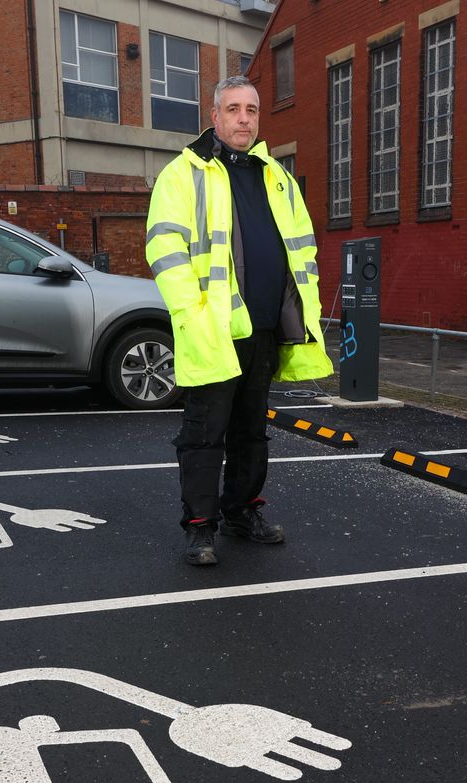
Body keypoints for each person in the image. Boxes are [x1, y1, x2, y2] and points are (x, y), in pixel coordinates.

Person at [145, 75, 331, 566]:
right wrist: (193, 313)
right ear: (214, 116)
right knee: (204, 432)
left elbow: (303, 249)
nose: (243, 118)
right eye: (233, 109)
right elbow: (165, 250)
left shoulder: (277, 176)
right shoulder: (184, 174)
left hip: (265, 328)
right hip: (214, 330)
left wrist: (300, 311)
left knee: (252, 430)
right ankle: (200, 528)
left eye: (251, 109)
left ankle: (242, 512)